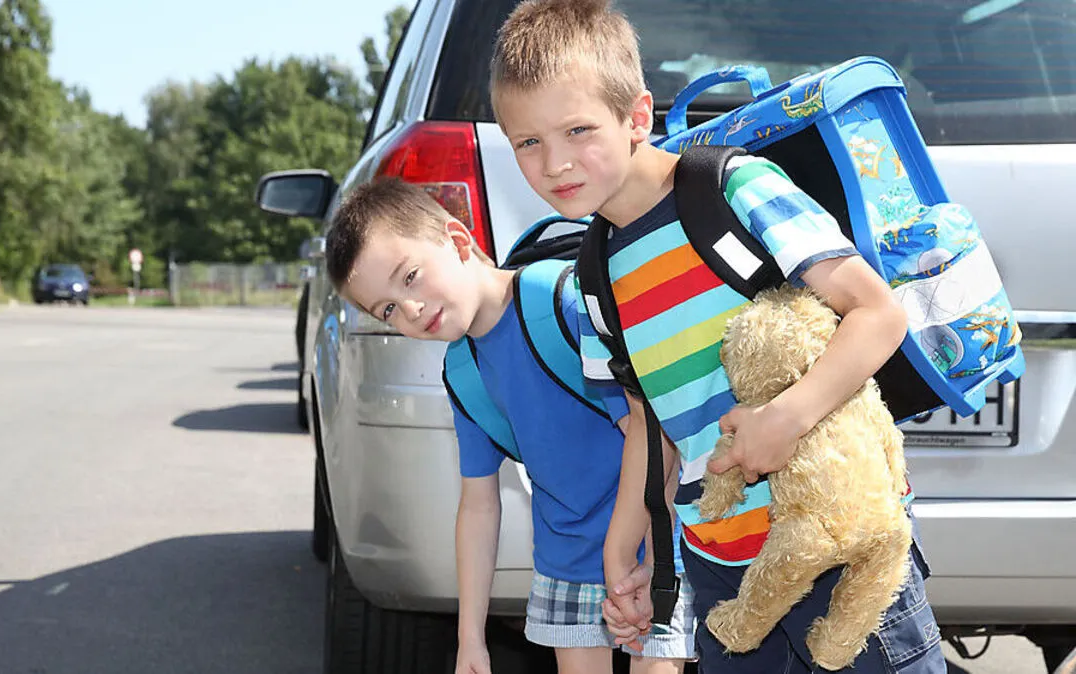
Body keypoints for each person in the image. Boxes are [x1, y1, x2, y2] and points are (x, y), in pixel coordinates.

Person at [489, 1, 946, 671]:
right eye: (528, 142)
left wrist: (784, 419)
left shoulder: (730, 189)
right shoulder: (594, 270)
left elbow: (877, 312)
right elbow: (648, 422)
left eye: (578, 129)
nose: (556, 162)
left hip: (837, 540)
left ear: (637, 117)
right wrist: (629, 538)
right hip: (721, 565)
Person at [323, 177, 695, 674]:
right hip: (568, 561)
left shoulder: (556, 301)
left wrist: (630, 555)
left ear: (458, 241)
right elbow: (478, 506)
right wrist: (470, 639)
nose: (409, 310)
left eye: (410, 277)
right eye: (387, 309)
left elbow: (652, 436)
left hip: (654, 543)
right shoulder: (463, 371)